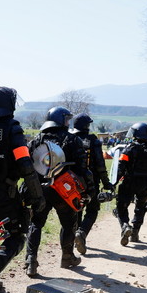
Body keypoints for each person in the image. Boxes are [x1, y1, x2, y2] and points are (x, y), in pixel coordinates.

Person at [0, 87, 45, 293]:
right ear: (9, 105)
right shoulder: (12, 129)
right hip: (6, 193)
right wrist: (37, 195)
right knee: (16, 235)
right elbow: (25, 165)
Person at [24, 106, 92, 276]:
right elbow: (83, 169)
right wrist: (88, 190)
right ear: (61, 120)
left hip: (40, 189)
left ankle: (30, 261)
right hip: (64, 190)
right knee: (69, 224)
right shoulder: (73, 140)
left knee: (36, 223)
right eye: (67, 119)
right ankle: (67, 258)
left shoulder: (35, 140)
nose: (69, 122)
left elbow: (28, 167)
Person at [114, 122, 147, 245]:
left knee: (121, 207)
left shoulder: (130, 148)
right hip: (146, 184)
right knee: (141, 208)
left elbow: (120, 167)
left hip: (129, 182)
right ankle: (135, 234)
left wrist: (112, 183)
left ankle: (125, 226)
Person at [71, 113, 114, 255]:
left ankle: (71, 240)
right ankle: (81, 233)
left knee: (76, 209)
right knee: (92, 210)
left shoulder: (69, 138)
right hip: (91, 182)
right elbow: (100, 165)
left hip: (71, 181)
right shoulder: (93, 140)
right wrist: (106, 183)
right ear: (86, 126)